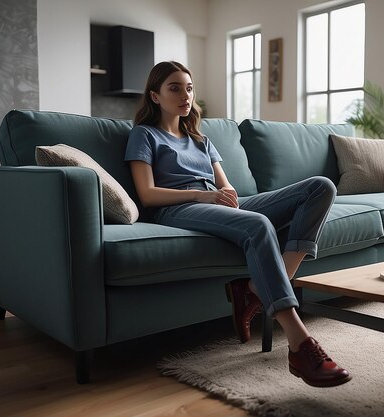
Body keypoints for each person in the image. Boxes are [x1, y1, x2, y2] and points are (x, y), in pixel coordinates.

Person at [125, 61, 351, 388]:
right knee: (257, 225)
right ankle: (300, 344)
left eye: (189, 88)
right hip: (177, 208)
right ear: (155, 96)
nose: (185, 95)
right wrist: (201, 197)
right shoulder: (144, 135)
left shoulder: (201, 140)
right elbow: (146, 195)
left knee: (320, 187)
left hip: (214, 201)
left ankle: (265, 285)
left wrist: (225, 193)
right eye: (174, 88)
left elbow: (226, 187)